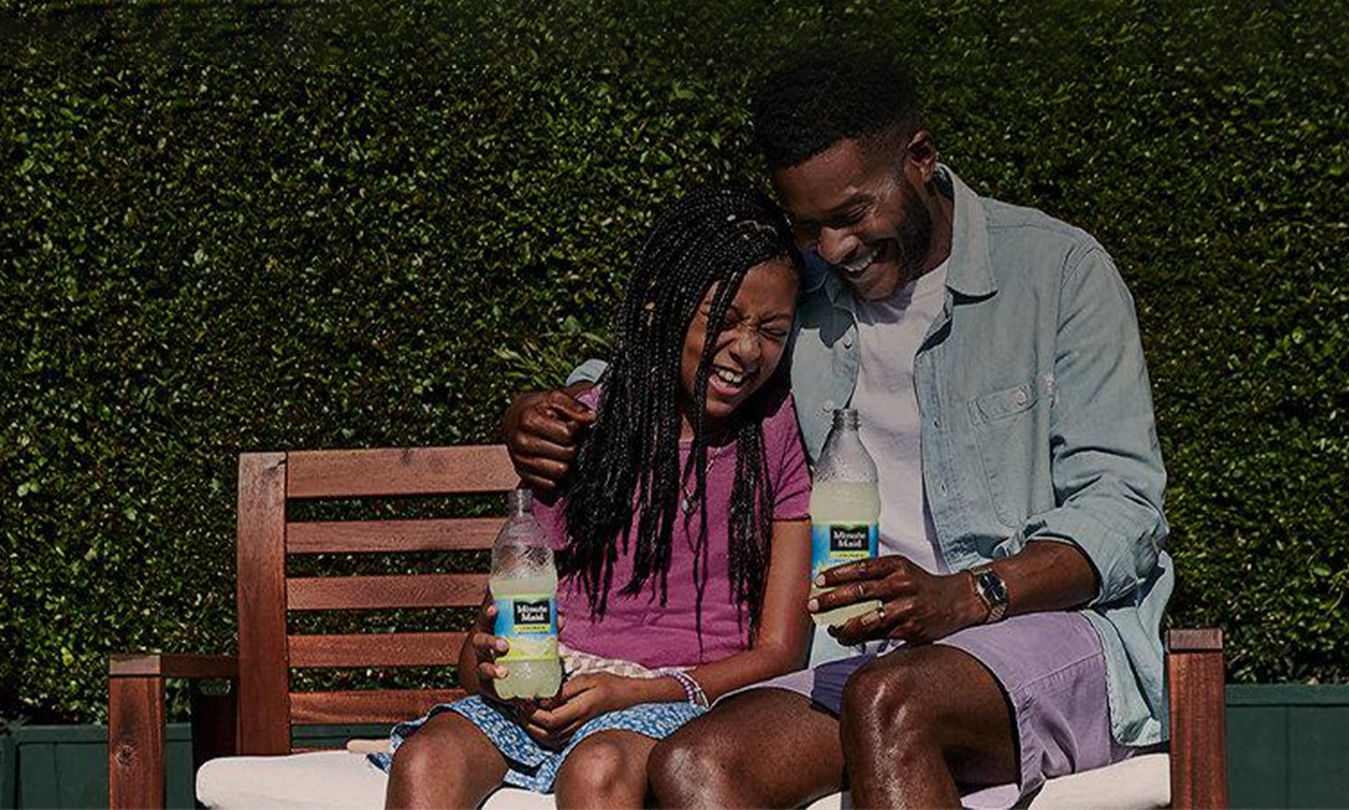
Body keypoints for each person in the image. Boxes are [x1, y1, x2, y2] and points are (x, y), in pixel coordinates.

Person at [502, 51, 1172, 809]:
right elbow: (674, 353)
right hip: (854, 656)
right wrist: (557, 403)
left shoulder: (1060, 273)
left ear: (920, 157)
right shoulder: (806, 293)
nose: (833, 250)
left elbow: (1123, 509)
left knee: (893, 702)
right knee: (698, 764)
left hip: (1043, 630)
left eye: (852, 215)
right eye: (807, 226)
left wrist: (968, 594)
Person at [374, 185, 814, 809]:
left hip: (676, 700)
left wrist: (632, 693)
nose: (747, 349)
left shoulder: (773, 438)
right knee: (426, 760)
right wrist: (494, 666)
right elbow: (477, 654)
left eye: (772, 330)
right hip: (551, 690)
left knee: (598, 766)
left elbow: (779, 652)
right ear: (661, 310)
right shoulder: (578, 431)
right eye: (723, 318)